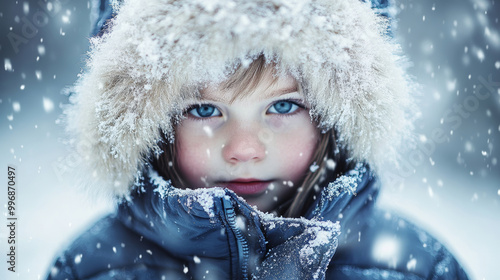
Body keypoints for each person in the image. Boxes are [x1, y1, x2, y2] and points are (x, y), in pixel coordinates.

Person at [47, 0, 469, 279]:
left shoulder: (412, 267)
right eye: (204, 110)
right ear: (151, 127)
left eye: (283, 107)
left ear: (335, 122)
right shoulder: (96, 269)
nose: (244, 150)